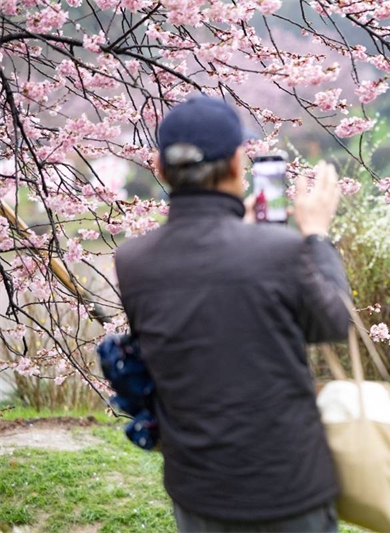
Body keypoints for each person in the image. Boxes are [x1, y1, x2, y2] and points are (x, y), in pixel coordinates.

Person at [114, 95, 351, 532]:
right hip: (289, 489)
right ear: (239, 164)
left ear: (161, 169)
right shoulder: (278, 250)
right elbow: (334, 322)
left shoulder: (132, 261)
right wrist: (316, 235)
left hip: (198, 492)